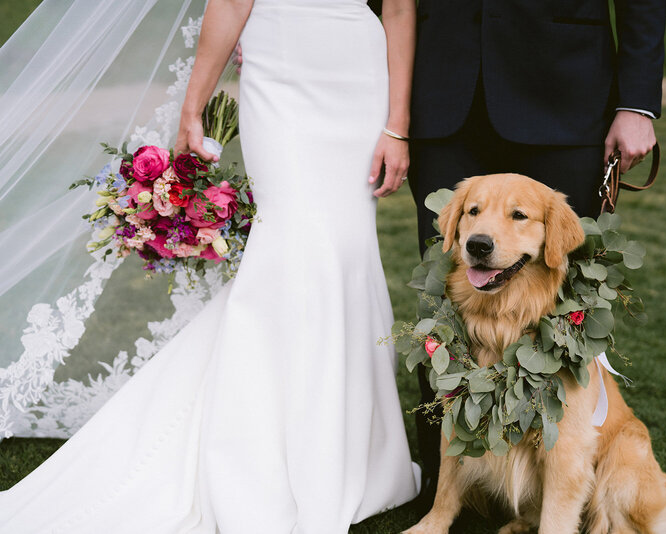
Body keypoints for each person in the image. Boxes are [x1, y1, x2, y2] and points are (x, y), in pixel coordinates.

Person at [0, 0, 419, 531]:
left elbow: (401, 10)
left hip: (358, 68)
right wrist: (192, 108)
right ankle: (257, 457)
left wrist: (397, 124)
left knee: (345, 253)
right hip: (280, 68)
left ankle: (353, 455)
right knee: (294, 246)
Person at [406, 0, 666, 502]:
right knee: (447, 305)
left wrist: (636, 101)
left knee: (563, 299)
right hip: (442, 92)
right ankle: (448, 484)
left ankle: (559, 476)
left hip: (564, 91)